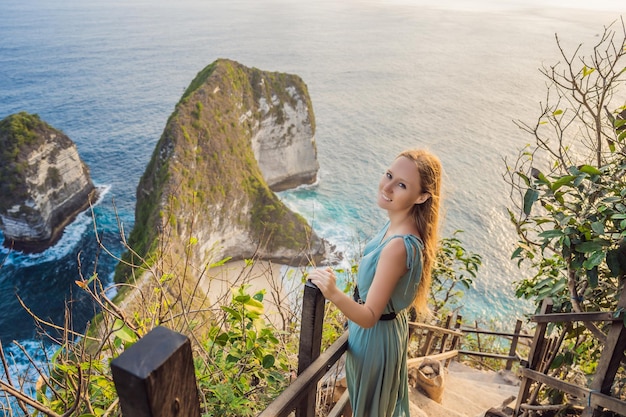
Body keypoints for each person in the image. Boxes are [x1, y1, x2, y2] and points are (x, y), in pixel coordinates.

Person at [308, 149, 442, 417]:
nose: (388, 187)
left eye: (401, 185)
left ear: (422, 196)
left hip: (375, 339)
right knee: (368, 407)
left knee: (368, 410)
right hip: (385, 333)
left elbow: (369, 316)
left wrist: (333, 291)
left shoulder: (398, 246)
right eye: (389, 175)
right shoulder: (397, 225)